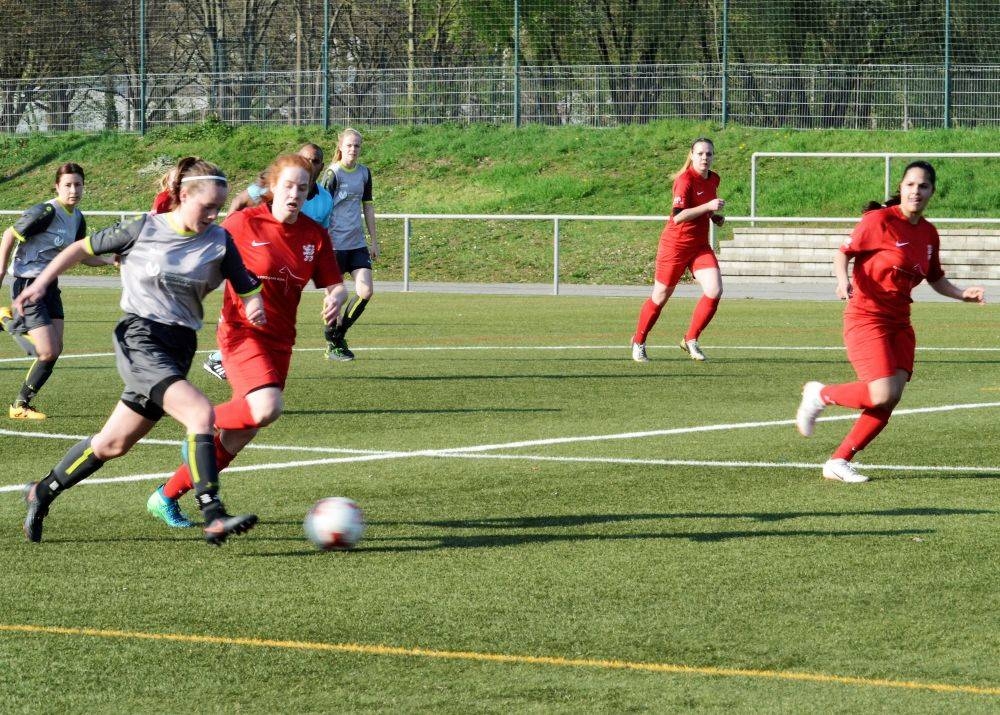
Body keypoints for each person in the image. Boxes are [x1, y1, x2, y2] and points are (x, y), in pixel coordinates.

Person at [18, 157, 266, 545]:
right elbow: (78, 248)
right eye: (207, 207)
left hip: (179, 347)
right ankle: (213, 512)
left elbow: (248, 287)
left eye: (219, 208)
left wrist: (255, 306)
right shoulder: (144, 228)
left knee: (112, 444)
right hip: (140, 339)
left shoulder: (219, 240)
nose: (213, 215)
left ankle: (42, 491)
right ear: (184, 195)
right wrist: (40, 283)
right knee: (200, 413)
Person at [146, 154, 345, 529]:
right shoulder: (243, 222)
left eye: (303, 188)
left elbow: (335, 284)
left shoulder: (314, 236)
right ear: (272, 187)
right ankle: (200, 422)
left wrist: (336, 296)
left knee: (241, 433)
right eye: (288, 186)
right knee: (266, 407)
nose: (295, 194)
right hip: (241, 332)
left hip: (281, 341)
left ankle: (165, 496)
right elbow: (198, 248)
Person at [795, 161, 986, 483]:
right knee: (881, 393)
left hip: (900, 323)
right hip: (866, 316)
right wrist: (842, 280)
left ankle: (838, 461)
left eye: (923, 186)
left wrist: (961, 294)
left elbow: (936, 278)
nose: (916, 191)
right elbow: (843, 253)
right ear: (901, 187)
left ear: (932, 192)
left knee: (891, 397)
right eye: (910, 184)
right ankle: (820, 394)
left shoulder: (928, 233)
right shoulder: (879, 220)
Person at [203, 142, 332, 380]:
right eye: (304, 158)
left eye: (314, 161)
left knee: (268, 387)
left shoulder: (325, 199)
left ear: (321, 167)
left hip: (288, 276)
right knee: (265, 393)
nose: (309, 164)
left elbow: (320, 244)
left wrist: (332, 290)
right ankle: (223, 354)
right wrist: (232, 242)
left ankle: (223, 358)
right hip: (259, 258)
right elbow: (239, 203)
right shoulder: (266, 192)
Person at [0, 163, 111, 419]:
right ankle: (7, 320)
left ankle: (20, 405)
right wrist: (2, 269)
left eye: (78, 185)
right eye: (68, 185)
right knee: (47, 350)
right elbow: (9, 234)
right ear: (57, 187)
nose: (74, 190)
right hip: (28, 284)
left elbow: (81, 255)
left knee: (55, 350)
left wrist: (110, 260)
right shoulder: (46, 211)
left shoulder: (78, 218)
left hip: (50, 286)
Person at [631, 137, 725, 363]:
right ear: (691, 155)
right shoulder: (685, 180)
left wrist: (713, 216)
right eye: (700, 153)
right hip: (675, 246)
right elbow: (678, 216)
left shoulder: (714, 179)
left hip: (699, 246)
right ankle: (638, 341)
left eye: (709, 154)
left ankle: (690, 339)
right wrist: (708, 206)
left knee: (714, 290)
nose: (705, 158)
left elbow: (702, 207)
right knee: (660, 296)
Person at [319, 127, 379, 362]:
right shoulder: (333, 173)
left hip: (356, 244)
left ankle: (337, 337)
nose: (353, 149)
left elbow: (368, 206)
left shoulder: (364, 173)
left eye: (357, 145)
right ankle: (332, 345)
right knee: (334, 299)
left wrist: (374, 241)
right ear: (341, 147)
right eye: (349, 145)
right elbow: (322, 207)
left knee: (366, 291)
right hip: (333, 246)